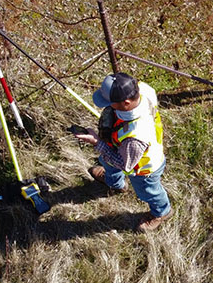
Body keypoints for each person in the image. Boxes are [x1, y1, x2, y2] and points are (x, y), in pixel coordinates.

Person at [73, 72, 172, 232]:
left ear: (126, 102)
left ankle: (161, 212)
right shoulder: (143, 90)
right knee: (107, 162)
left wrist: (97, 142)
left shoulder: (135, 137)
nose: (106, 105)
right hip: (119, 147)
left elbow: (124, 165)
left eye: (109, 102)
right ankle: (115, 184)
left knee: (148, 192)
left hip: (143, 169)